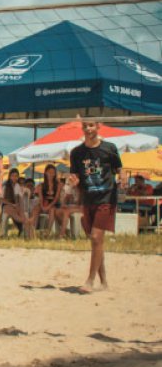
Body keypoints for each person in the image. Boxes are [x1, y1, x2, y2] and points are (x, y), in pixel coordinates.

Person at [69, 117, 125, 293]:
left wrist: (123, 178)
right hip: (88, 199)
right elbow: (75, 176)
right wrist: (73, 181)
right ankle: (104, 282)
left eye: (91, 125)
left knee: (95, 238)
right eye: (85, 126)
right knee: (97, 242)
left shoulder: (109, 148)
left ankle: (90, 280)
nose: (88, 129)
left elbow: (119, 170)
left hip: (106, 198)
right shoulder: (76, 152)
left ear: (99, 126)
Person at [28, 164, 61, 236]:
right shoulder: (41, 185)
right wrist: (42, 207)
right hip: (43, 203)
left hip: (53, 204)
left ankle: (48, 232)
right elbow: (41, 198)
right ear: (45, 173)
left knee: (52, 210)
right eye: (49, 172)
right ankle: (32, 230)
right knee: (35, 209)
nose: (51, 174)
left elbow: (56, 199)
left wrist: (47, 207)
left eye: (53, 172)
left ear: (55, 174)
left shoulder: (58, 184)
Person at [1, 168, 28, 236]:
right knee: (10, 210)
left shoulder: (17, 186)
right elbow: (1, 199)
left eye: (16, 176)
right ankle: (25, 221)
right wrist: (12, 204)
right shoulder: (5, 186)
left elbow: (20, 199)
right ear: (9, 176)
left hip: (15, 205)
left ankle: (24, 229)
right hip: (7, 206)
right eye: (13, 175)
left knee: (21, 211)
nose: (14, 178)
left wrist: (20, 207)